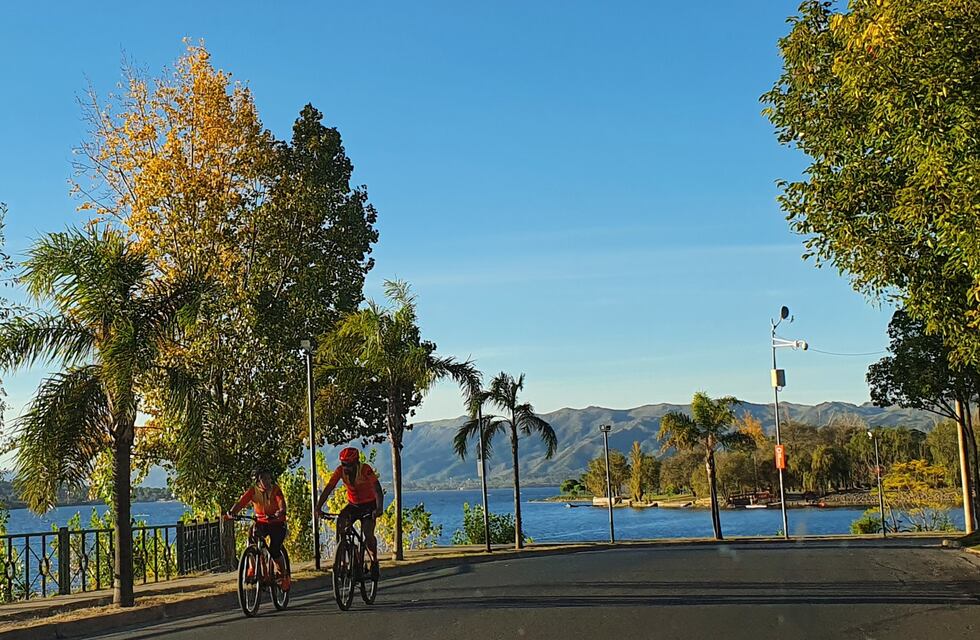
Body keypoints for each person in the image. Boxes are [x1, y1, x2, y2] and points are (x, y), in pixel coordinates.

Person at [316, 447, 384, 576]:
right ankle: (343, 559)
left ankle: (374, 561)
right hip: (353, 505)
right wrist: (318, 507)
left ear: (356, 462)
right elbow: (329, 488)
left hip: (369, 505)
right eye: (343, 464)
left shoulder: (365, 469)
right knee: (340, 524)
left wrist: (379, 508)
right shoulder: (340, 471)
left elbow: (377, 490)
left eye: (349, 465)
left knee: (368, 533)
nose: (346, 468)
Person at [225, 469, 290, 591]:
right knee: (252, 539)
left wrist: (279, 512)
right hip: (261, 522)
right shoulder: (253, 491)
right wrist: (232, 512)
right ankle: (252, 568)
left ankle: (282, 575)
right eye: (263, 479)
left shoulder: (275, 490)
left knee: (275, 549)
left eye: (268, 478)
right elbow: (241, 503)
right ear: (258, 482)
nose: (267, 481)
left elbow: (281, 503)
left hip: (277, 523)